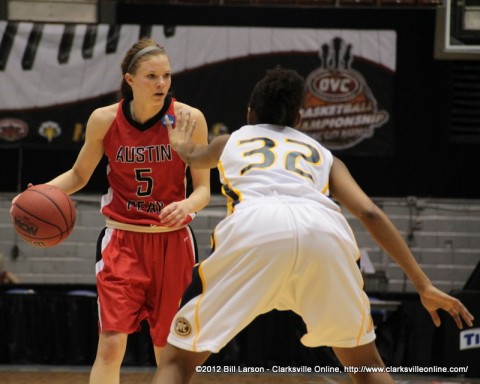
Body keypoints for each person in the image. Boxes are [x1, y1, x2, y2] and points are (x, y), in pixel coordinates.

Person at [152, 67, 474, 384]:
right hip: (323, 229)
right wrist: (423, 284)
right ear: (298, 121)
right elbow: (370, 214)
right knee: (365, 366)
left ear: (249, 112)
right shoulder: (323, 154)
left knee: (178, 361)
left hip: (255, 224)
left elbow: (195, 157)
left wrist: (181, 145)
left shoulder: (232, 140)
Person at [13, 38, 210, 384]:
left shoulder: (189, 118)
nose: (161, 84)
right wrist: (35, 195)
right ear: (129, 79)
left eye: (166, 76)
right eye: (151, 76)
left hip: (172, 243)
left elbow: (205, 190)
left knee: (168, 351)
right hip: (122, 242)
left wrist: (187, 205)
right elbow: (77, 175)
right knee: (110, 345)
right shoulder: (104, 120)